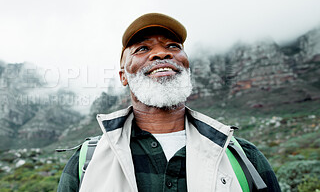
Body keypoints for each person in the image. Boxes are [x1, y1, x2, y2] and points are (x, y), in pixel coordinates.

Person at [58, 13, 280, 192]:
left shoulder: (243, 157)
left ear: (186, 64)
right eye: (142, 49)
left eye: (173, 46)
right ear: (123, 76)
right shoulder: (87, 161)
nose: (162, 54)